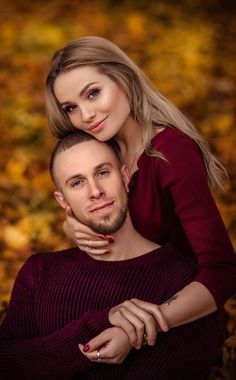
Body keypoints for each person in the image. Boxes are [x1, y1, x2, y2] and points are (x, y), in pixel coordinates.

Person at [45, 36, 236, 350]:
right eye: (72, 108)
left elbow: (222, 270)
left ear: (123, 78)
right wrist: (72, 226)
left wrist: (145, 323)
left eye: (93, 93)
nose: (86, 115)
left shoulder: (171, 152)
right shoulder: (104, 148)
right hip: (122, 293)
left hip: (176, 312)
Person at [0, 131, 225, 379]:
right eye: (77, 182)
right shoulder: (39, 271)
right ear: (63, 201)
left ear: (125, 176)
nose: (95, 191)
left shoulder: (187, 287)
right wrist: (103, 322)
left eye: (102, 172)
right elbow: (8, 363)